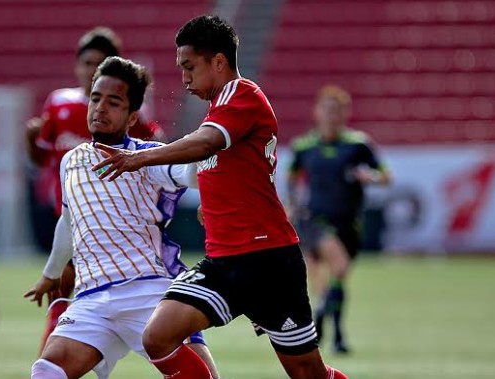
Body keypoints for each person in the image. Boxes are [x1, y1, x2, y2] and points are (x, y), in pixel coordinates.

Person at [92, 15, 348, 379]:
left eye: (189, 66)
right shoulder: (221, 108)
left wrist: (140, 157)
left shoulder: (243, 94)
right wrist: (212, 210)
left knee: (309, 373)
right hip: (224, 263)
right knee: (157, 337)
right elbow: (227, 169)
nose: (184, 78)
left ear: (218, 62)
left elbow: (207, 143)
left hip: (268, 262)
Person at [23, 56, 218, 379]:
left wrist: (206, 147)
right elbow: (68, 221)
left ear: (131, 117)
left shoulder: (148, 155)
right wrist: (51, 273)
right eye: (96, 98)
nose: (100, 108)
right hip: (91, 298)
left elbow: (189, 172)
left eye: (113, 102)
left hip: (148, 292)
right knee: (47, 371)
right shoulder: (70, 161)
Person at [24, 26, 164, 353]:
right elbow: (41, 157)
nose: (91, 70)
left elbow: (156, 153)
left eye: (98, 63)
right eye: (87, 63)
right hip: (66, 214)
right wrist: (29, 141)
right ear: (77, 67)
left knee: (73, 293)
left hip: (109, 226)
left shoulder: (130, 116)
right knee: (63, 290)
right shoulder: (58, 104)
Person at [287, 85, 391, 354]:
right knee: (339, 265)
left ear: (346, 113)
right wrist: (292, 206)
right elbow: (291, 178)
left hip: (349, 222)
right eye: (327, 110)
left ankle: (332, 330)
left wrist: (372, 178)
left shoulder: (358, 145)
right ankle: (332, 330)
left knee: (335, 280)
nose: (332, 116)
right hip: (314, 220)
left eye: (337, 111)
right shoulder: (304, 146)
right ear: (317, 112)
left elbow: (386, 175)